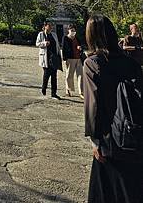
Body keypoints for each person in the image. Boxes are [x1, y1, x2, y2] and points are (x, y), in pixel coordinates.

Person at [84, 14, 143, 202]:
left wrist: (95, 141)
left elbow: (93, 106)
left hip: (109, 138)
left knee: (105, 193)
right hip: (134, 135)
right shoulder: (130, 63)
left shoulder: (93, 63)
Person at [36, 21, 62, 99]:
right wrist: (44, 43)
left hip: (54, 58)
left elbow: (57, 45)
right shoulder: (41, 34)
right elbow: (37, 44)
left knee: (54, 76)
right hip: (46, 57)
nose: (51, 27)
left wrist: (59, 55)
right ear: (45, 26)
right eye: (49, 26)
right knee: (46, 75)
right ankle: (44, 88)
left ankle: (54, 93)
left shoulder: (54, 34)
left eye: (52, 26)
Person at [62, 24, 84, 97]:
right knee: (69, 75)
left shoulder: (77, 38)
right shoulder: (65, 38)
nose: (73, 32)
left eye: (74, 30)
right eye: (72, 30)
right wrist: (65, 59)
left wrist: (80, 48)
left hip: (78, 59)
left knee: (81, 75)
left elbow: (81, 47)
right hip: (70, 59)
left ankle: (81, 92)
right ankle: (68, 90)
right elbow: (64, 48)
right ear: (68, 30)